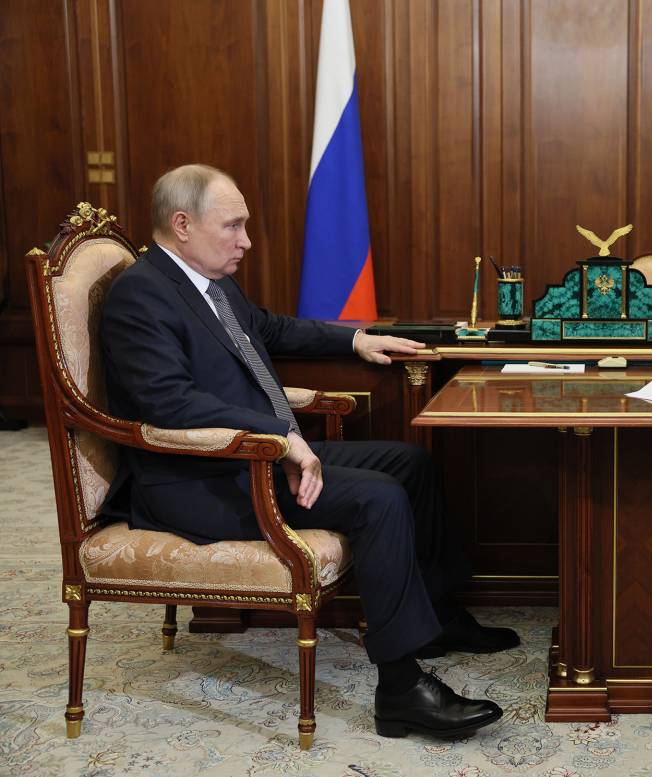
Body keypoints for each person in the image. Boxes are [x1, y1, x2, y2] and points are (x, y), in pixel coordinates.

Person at [100, 163, 516, 738]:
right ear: (182, 225)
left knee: (409, 462)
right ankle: (401, 690)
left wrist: (356, 339)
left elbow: (269, 329)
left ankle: (437, 616)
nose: (247, 241)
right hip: (201, 480)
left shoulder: (210, 281)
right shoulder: (140, 295)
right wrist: (282, 437)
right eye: (233, 226)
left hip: (257, 456)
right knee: (379, 498)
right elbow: (169, 402)